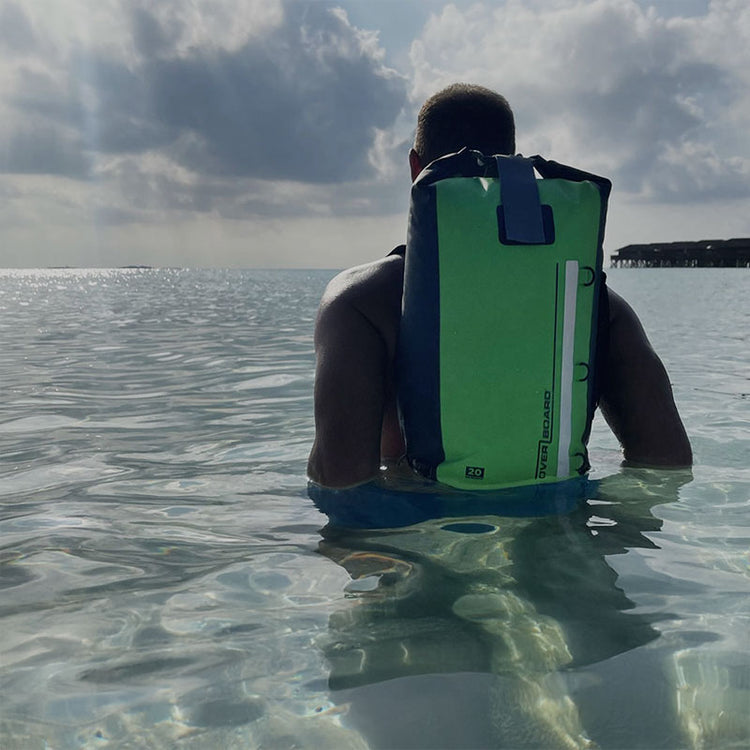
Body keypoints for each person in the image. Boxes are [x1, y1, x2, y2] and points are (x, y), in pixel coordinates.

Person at [307, 83, 692, 489]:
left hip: (420, 523)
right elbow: (667, 464)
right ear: (510, 167)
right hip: (556, 525)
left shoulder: (361, 301)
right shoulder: (595, 302)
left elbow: (340, 480)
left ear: (415, 167)